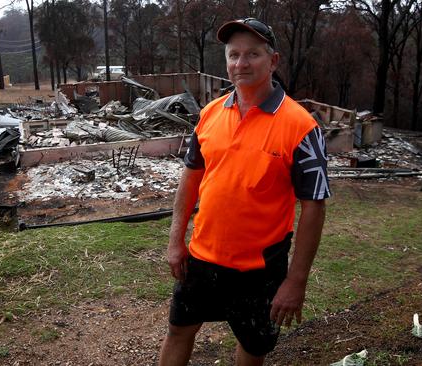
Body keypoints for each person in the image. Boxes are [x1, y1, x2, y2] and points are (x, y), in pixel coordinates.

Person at [159, 17, 330, 366]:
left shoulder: (300, 126)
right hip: (202, 258)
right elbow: (190, 178)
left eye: (252, 54)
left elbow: (313, 206)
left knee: (253, 348)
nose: (241, 64)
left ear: (274, 61)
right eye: (234, 54)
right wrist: (176, 240)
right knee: (179, 330)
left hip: (260, 270)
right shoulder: (209, 114)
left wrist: (296, 282)